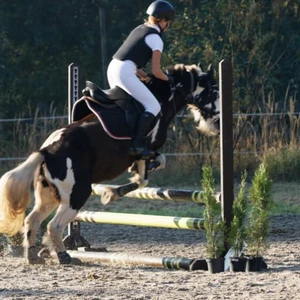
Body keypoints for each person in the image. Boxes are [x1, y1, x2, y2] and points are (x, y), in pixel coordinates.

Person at [107, 0, 175, 158]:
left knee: (133, 105)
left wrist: (143, 77)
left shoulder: (139, 29)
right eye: (168, 21)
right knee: (153, 106)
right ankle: (137, 145)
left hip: (113, 68)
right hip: (124, 72)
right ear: (163, 20)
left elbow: (130, 60)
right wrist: (168, 79)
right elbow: (157, 71)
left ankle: (124, 138)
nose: (167, 25)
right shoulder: (156, 38)